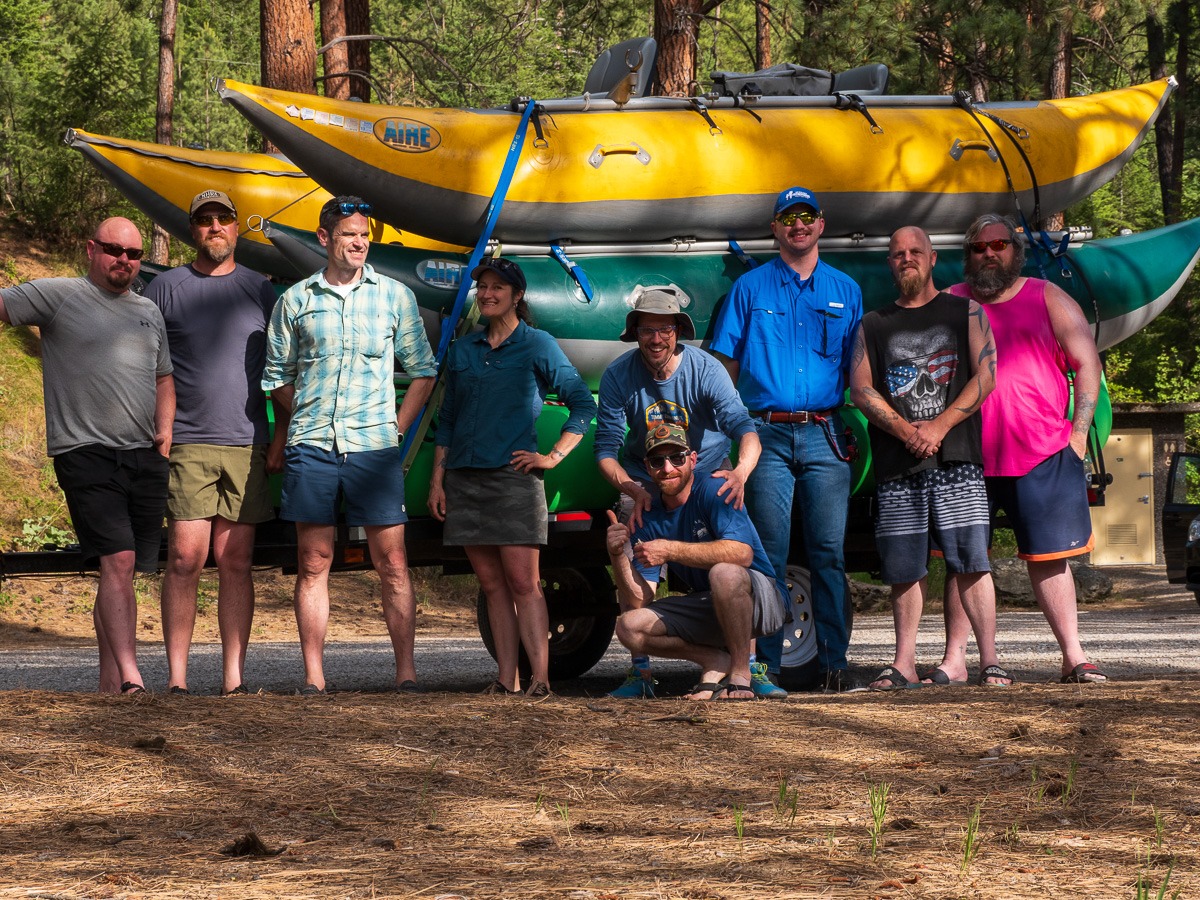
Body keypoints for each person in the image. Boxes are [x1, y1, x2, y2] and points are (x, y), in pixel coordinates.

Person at [262, 195, 437, 695]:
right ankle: (315, 678)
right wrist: (308, 418)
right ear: (324, 239)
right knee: (314, 562)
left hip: (374, 449)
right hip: (312, 446)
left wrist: (397, 428)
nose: (359, 242)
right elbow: (276, 376)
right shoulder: (295, 300)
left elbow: (422, 370)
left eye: (364, 234)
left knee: (394, 563)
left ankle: (406, 673)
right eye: (348, 235)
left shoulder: (394, 297)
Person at [0, 218, 173, 694]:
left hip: (144, 455)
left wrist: (165, 431)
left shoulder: (147, 310)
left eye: (134, 254)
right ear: (91, 248)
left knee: (125, 568)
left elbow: (164, 378)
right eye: (114, 249)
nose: (124, 259)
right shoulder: (59, 295)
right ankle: (133, 680)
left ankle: (108, 685)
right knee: (117, 561)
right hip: (85, 452)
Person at [934, 213, 1108, 684]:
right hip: (965, 457)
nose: (989, 253)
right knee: (964, 560)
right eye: (978, 248)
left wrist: (1076, 439)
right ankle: (954, 659)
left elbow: (1087, 365)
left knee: (1051, 558)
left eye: (999, 245)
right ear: (967, 256)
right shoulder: (949, 302)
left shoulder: (1047, 297)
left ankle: (1073, 656)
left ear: (1016, 250)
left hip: (1043, 454)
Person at [594, 285, 785, 698]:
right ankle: (640, 673)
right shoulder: (619, 375)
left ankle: (749, 667)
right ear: (636, 333)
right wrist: (632, 488)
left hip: (705, 466)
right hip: (642, 473)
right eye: (647, 330)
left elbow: (743, 427)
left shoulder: (705, 368)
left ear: (678, 331)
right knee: (631, 551)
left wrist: (740, 473)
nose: (656, 338)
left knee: (729, 560)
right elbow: (606, 447)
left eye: (665, 329)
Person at [709, 186, 863, 692]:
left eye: (807, 216)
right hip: (766, 434)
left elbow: (858, 372)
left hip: (824, 434)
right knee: (768, 552)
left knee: (828, 553)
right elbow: (725, 369)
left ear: (822, 225)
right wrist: (722, 434)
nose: (798, 225)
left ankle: (834, 663)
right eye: (787, 218)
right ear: (775, 228)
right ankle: (766, 667)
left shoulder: (847, 289)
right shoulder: (749, 289)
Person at [849, 226, 1010, 690]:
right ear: (890, 263)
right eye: (897, 253)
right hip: (898, 465)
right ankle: (903, 664)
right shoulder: (873, 324)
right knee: (904, 566)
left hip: (958, 458)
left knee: (972, 561)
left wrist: (938, 427)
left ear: (933, 257)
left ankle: (990, 661)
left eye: (915, 251)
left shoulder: (966, 311)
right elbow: (861, 389)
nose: (907, 259)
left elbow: (987, 375)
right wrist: (905, 430)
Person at [428, 258, 595, 698]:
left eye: (497, 287)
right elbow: (447, 419)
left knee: (524, 583)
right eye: (481, 286)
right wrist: (436, 481)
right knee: (491, 584)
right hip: (464, 478)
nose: (486, 294)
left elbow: (583, 404)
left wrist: (552, 457)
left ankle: (541, 680)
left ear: (517, 296)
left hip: (514, 480)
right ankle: (507, 680)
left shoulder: (538, 344)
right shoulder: (464, 350)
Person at [145, 190, 285, 697]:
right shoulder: (166, 287)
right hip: (186, 441)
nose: (214, 228)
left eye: (222, 220)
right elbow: (148, 366)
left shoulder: (260, 290)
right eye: (203, 221)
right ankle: (177, 681)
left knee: (236, 561)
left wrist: (280, 436)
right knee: (184, 558)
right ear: (193, 231)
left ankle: (233, 680)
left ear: (235, 229)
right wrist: (157, 432)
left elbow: (282, 370)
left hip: (247, 442)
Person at [604, 423, 787, 701]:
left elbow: (742, 554)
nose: (667, 468)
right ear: (647, 467)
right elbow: (641, 598)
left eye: (676, 458)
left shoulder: (715, 488)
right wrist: (618, 556)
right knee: (629, 625)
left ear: (692, 459)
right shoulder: (648, 516)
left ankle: (741, 673)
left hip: (762, 603)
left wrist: (670, 550)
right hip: (710, 603)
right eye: (657, 461)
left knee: (725, 573)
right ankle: (715, 661)